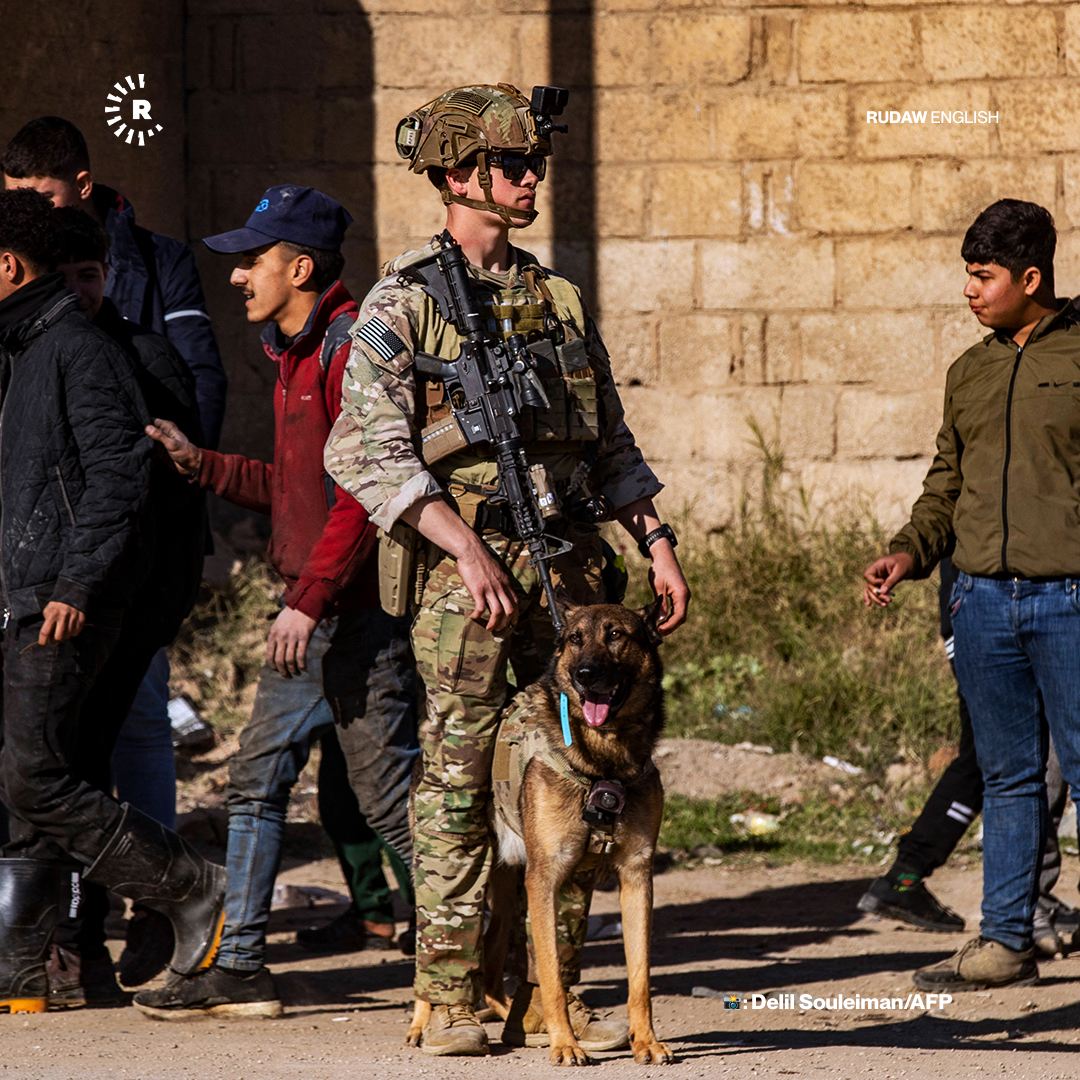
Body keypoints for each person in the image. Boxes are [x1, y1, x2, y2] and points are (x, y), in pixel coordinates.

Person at [324, 83, 690, 1056]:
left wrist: (655, 544)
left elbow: (613, 446)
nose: (532, 180)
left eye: (535, 164)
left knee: (572, 774)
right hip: (467, 585)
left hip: (571, 577)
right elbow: (362, 452)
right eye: (512, 166)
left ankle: (550, 1001)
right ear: (458, 176)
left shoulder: (558, 300)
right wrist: (464, 543)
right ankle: (448, 996)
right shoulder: (403, 303)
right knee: (453, 780)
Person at [134, 185, 418, 1019]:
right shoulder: (292, 356)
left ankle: (477, 950)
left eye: (251, 261)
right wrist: (206, 465)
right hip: (317, 615)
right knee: (257, 784)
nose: (235, 278)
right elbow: (301, 489)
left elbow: (366, 497)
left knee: (394, 807)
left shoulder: (348, 353)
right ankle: (243, 966)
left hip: (350, 621)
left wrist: (308, 599)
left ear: (300, 268)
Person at [0, 187, 224, 1015]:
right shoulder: (25, 351)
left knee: (41, 774)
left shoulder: (90, 353)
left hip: (78, 606)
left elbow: (126, 483)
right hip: (32, 599)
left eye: (93, 272)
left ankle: (187, 885)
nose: (86, 289)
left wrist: (81, 587)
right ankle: (29, 965)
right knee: (32, 773)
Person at [864, 199, 1080, 992]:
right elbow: (945, 483)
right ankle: (1004, 943)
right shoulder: (971, 371)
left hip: (1071, 602)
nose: (969, 291)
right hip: (983, 604)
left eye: (983, 277)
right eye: (967, 274)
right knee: (1009, 778)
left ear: (1030, 277)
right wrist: (909, 552)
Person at [859, 559, 1078, 956]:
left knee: (1032, 749)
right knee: (998, 752)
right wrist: (908, 554)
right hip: (981, 606)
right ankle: (911, 878)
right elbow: (941, 507)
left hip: (1037, 602)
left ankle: (1029, 900)